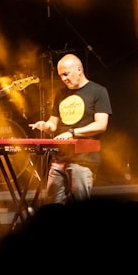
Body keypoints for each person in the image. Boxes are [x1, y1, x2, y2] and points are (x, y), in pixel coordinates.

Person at [28, 53, 111, 203]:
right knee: (53, 206)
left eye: (66, 74)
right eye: (61, 76)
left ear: (79, 69)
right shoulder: (61, 94)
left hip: (83, 159)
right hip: (59, 158)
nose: (64, 79)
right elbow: (53, 124)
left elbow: (101, 125)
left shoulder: (98, 91)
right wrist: (45, 125)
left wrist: (72, 133)